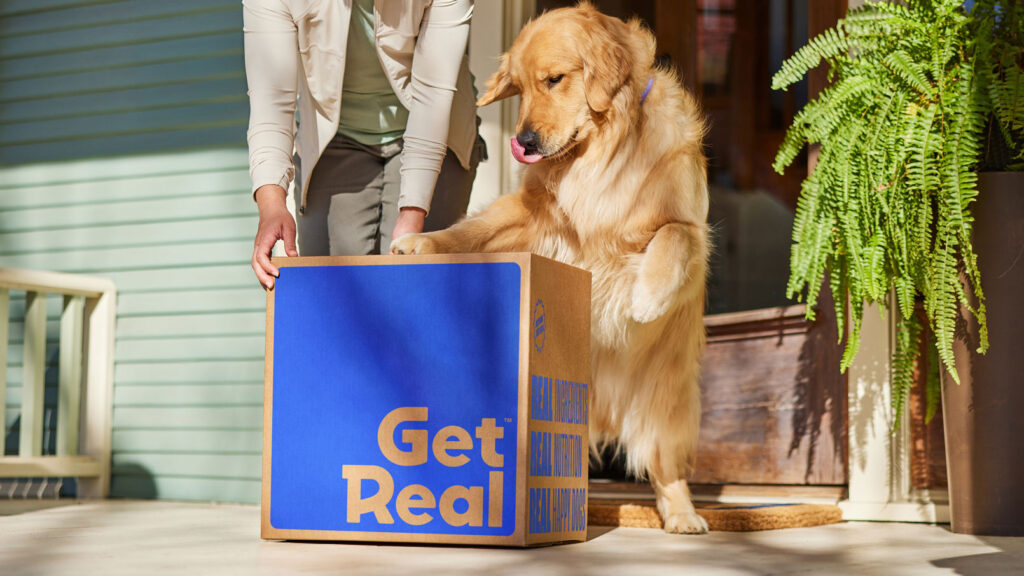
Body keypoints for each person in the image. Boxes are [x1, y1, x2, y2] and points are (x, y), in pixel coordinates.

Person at [244, 0, 482, 289]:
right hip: (334, 139)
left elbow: (433, 95)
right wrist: (271, 206)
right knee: (334, 293)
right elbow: (270, 101)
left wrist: (412, 215)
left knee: (411, 289)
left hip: (437, 134)